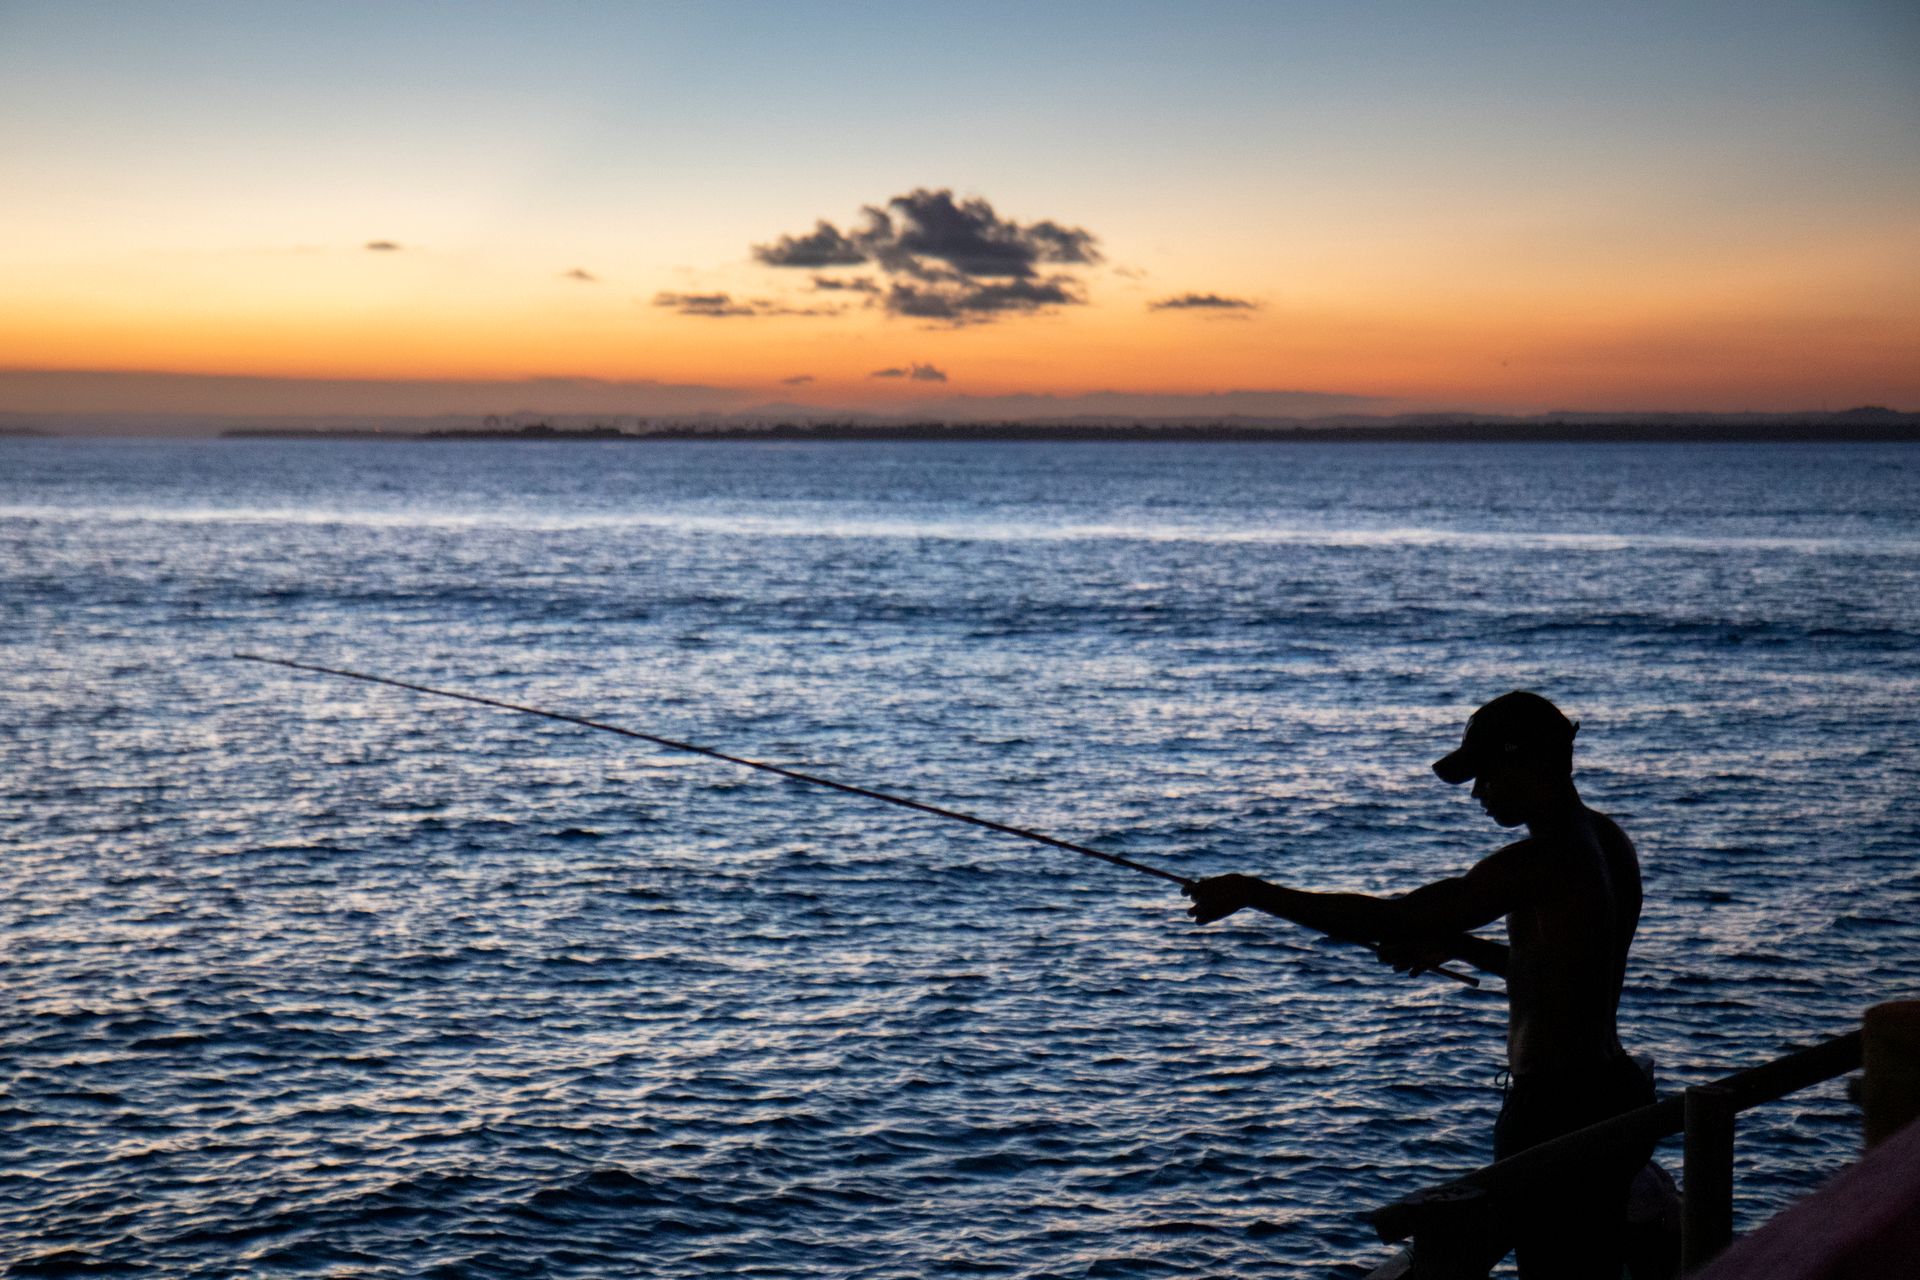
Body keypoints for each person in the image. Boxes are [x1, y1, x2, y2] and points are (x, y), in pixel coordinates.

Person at [1184, 691, 1653, 1279]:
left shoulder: (1540, 860)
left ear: (1525, 762)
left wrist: (1256, 894)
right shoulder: (1608, 842)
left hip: (1557, 1111)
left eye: (1484, 775)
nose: (1478, 794)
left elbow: (1397, 918)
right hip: (1614, 1093)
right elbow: (1563, 972)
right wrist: (1458, 946)